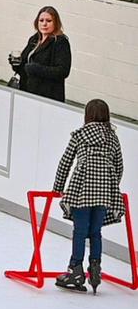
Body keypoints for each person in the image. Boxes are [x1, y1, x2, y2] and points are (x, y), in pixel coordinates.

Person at [52, 99, 125, 294]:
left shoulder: (80, 134)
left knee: (80, 231)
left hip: (82, 189)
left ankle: (75, 270)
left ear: (87, 115)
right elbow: (119, 166)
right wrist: (110, 186)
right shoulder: (112, 137)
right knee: (95, 232)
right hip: (104, 193)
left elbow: (65, 162)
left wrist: (58, 187)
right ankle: (95, 268)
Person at [11, 6, 72, 103]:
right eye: (41, 20)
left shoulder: (61, 42)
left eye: (48, 21)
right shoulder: (34, 39)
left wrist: (37, 69)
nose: (44, 24)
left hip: (47, 95)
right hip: (26, 91)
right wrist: (16, 63)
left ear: (55, 23)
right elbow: (25, 67)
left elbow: (63, 71)